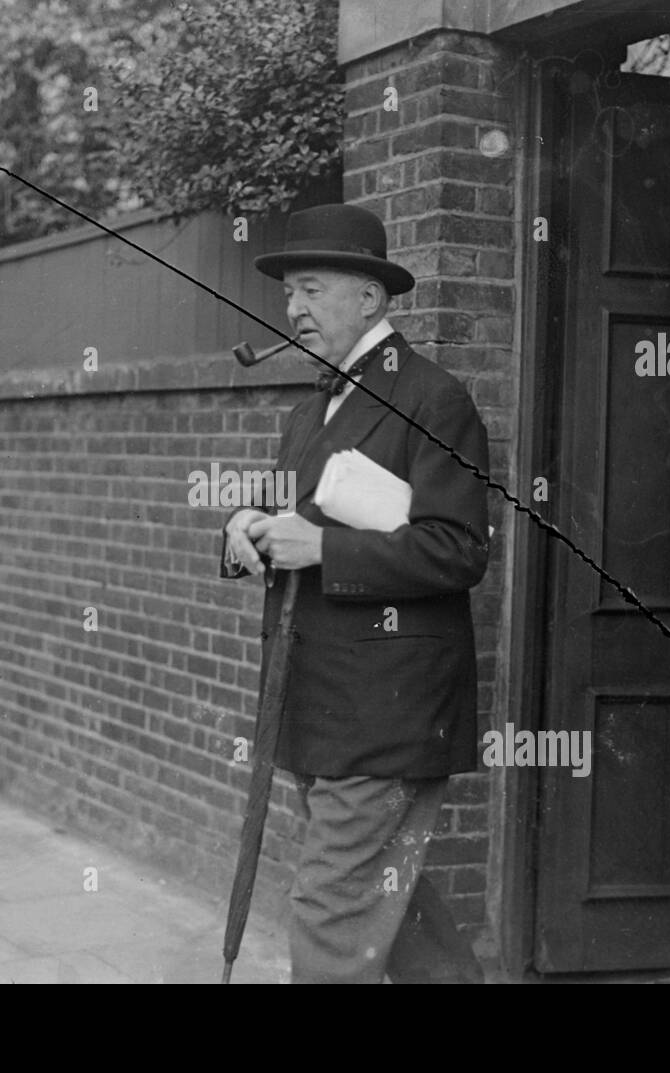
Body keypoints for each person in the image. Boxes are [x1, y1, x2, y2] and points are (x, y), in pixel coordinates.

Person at [220, 204, 490, 983]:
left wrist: (324, 547)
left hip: (386, 712)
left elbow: (460, 547)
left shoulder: (434, 399)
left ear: (370, 298)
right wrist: (244, 529)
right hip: (319, 705)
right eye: (288, 295)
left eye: (310, 288)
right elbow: (292, 523)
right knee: (391, 899)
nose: (293, 307)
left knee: (332, 910)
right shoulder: (310, 412)